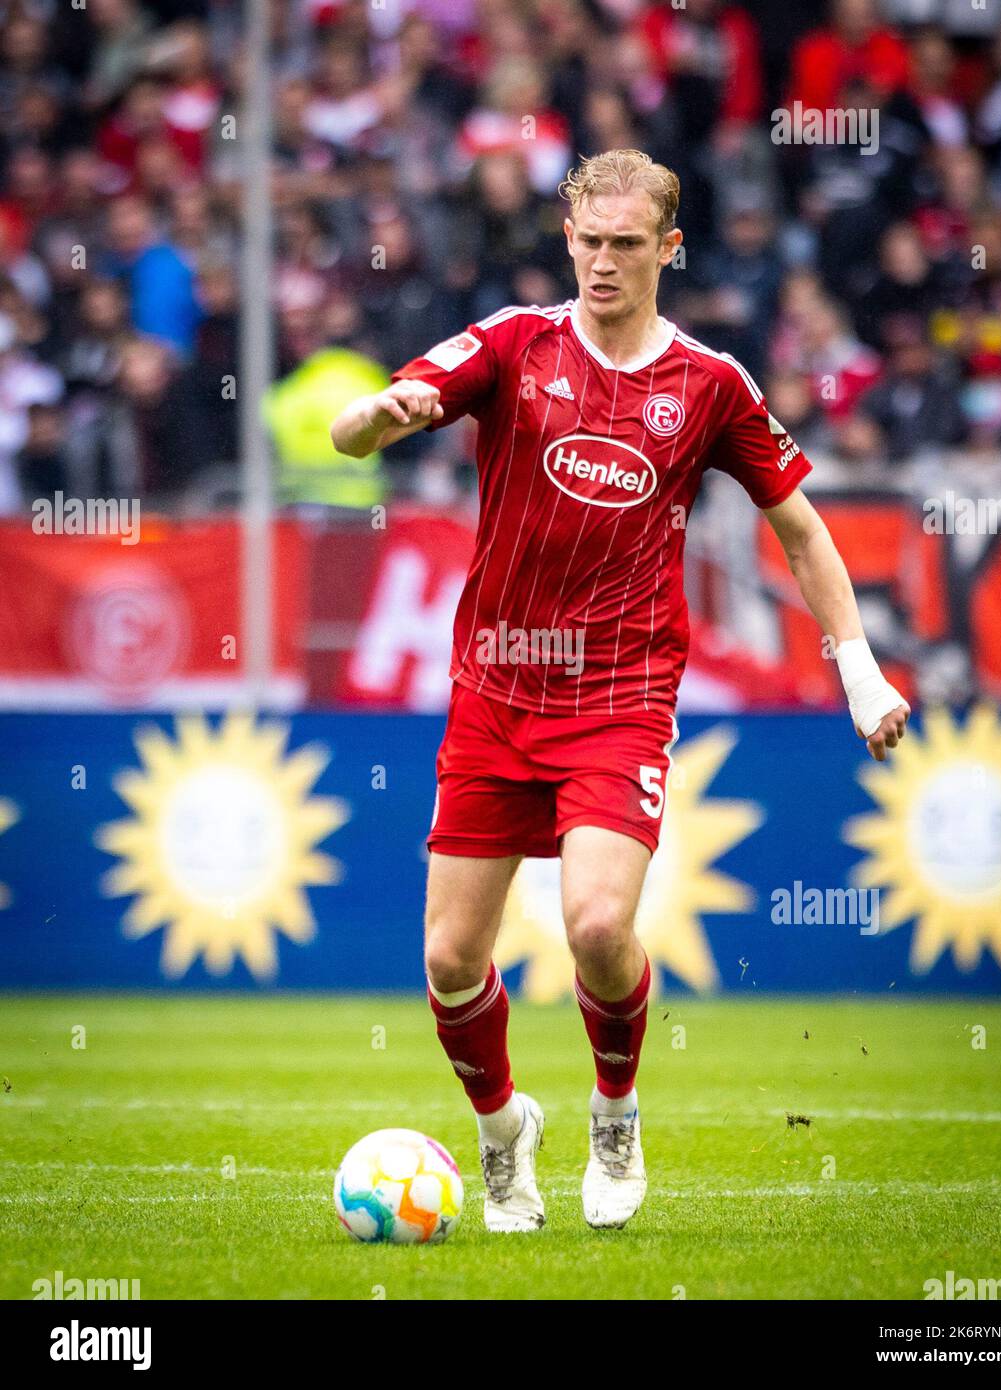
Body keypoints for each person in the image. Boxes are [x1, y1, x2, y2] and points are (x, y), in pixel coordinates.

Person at [330, 149, 909, 1234]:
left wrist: (858, 670)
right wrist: (374, 419)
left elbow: (798, 526)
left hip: (618, 694)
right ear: (567, 239)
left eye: (625, 245)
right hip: (495, 685)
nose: (602, 263)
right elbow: (358, 428)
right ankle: (505, 1137)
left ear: (667, 249)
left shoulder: (709, 384)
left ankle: (613, 1111)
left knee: (597, 924)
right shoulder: (511, 344)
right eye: (587, 242)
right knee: (451, 959)